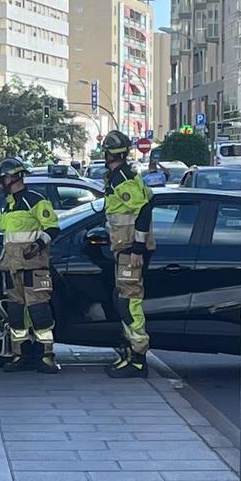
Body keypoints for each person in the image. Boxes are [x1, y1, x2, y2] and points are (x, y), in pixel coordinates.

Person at [0, 157, 61, 373]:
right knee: (15, 313)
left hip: (34, 268)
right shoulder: (8, 206)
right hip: (11, 269)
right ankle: (20, 355)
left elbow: (52, 228)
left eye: (1, 179)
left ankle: (46, 357)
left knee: (39, 311)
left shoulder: (35, 200)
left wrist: (37, 245)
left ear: (12, 177)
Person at [100, 130, 156, 379]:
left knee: (129, 303)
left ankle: (138, 359)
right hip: (124, 249)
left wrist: (138, 249)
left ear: (109, 153)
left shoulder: (122, 177)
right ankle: (129, 354)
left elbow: (144, 208)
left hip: (130, 251)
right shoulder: (120, 176)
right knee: (122, 299)